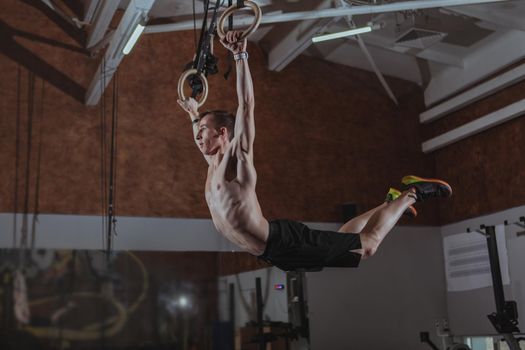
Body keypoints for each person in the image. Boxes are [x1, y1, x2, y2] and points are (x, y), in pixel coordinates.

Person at [177, 31, 452, 272]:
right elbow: (198, 136)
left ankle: (412, 193)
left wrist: (240, 55)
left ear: (223, 133)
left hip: (281, 242)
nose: (198, 135)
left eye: (203, 129)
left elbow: (246, 105)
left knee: (367, 247)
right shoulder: (213, 164)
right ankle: (388, 204)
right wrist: (194, 114)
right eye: (198, 130)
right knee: (345, 241)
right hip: (274, 255)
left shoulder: (238, 160)